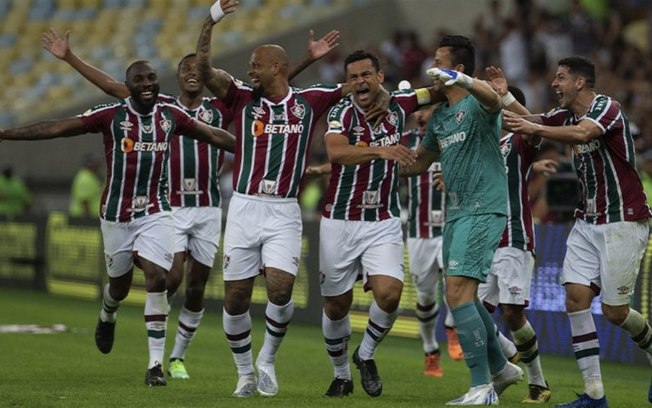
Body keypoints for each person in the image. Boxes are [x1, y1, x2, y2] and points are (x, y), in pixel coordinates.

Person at [42, 23, 339, 381]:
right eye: (185, 69)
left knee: (197, 285)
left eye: (194, 69)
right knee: (171, 277)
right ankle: (151, 345)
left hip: (209, 207)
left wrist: (306, 58)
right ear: (181, 77)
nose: (191, 74)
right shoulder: (162, 107)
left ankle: (178, 356)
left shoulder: (219, 108)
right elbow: (110, 86)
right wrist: (70, 57)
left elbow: (270, 92)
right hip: (171, 206)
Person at [0, 60, 235, 387]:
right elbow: (58, 127)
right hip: (116, 216)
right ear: (130, 86)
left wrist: (254, 150)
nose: (148, 83)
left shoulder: (170, 116)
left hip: (156, 212)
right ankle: (107, 313)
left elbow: (210, 134)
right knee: (119, 287)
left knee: (158, 277)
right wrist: (6, 133)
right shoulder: (111, 116)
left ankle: (155, 364)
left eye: (152, 77)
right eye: (140, 79)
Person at [195, 0, 366, 397]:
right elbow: (204, 71)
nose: (249, 70)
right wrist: (211, 20)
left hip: (283, 210)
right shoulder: (240, 98)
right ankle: (244, 373)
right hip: (243, 206)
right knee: (236, 297)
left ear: (276, 68)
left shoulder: (310, 102)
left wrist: (389, 84)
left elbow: (358, 86)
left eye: (256, 64)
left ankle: (267, 359)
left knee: (281, 288)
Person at [504, 55, 652, 408]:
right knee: (575, 300)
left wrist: (536, 130)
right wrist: (504, 97)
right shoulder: (566, 115)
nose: (554, 84)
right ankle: (595, 395)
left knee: (616, 313)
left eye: (561, 78)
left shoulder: (607, 108)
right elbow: (533, 120)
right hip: (586, 222)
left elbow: (581, 133)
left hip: (623, 221)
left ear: (580, 83)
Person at [400, 35, 523, 405]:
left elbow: (493, 99)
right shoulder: (438, 117)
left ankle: (481, 387)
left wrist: (465, 81)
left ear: (459, 69)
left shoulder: (478, 102)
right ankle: (501, 369)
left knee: (456, 293)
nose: (431, 72)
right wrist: (383, 153)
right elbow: (419, 162)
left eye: (439, 64)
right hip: (456, 212)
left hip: (484, 207)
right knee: (460, 297)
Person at [317, 49, 436, 398]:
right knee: (336, 306)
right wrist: (383, 150)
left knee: (390, 293)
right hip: (339, 220)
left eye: (366, 75)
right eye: (353, 77)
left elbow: (438, 91)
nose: (359, 82)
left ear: (380, 77)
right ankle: (341, 375)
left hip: (381, 219)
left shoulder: (400, 103)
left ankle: (365, 354)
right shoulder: (341, 113)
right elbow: (337, 153)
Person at [477, 78, 555, 403]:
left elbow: (535, 130)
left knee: (511, 312)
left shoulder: (520, 139)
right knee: (469, 311)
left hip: (514, 236)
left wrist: (507, 98)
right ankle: (507, 357)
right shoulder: (483, 142)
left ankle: (538, 383)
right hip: (483, 240)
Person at [401, 105, 464, 379]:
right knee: (425, 298)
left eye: (428, 110)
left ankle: (452, 326)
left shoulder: (454, 137)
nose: (422, 115)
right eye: (419, 110)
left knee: (455, 284)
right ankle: (430, 350)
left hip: (451, 227)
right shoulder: (404, 142)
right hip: (418, 232)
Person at [69, 153, 103, 218]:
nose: (98, 168)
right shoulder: (85, 178)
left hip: (89, 216)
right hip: (83, 217)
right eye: (97, 165)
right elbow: (85, 201)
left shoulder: (90, 177)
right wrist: (88, 219)